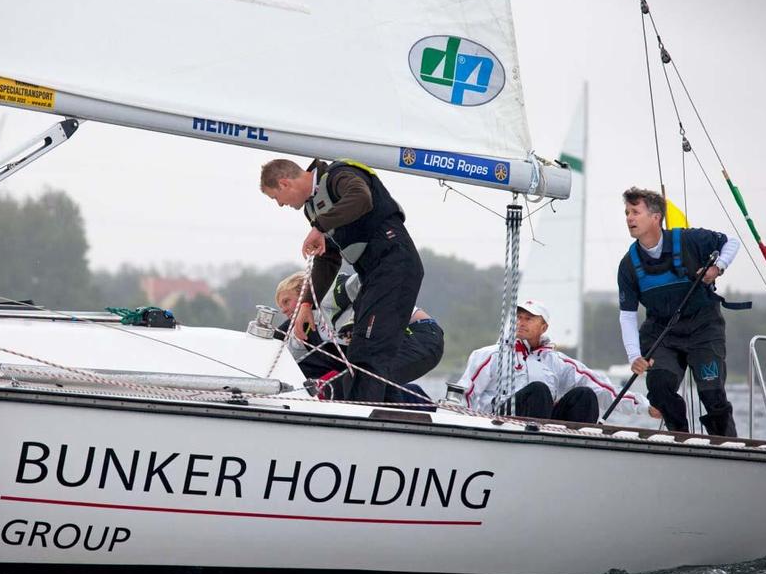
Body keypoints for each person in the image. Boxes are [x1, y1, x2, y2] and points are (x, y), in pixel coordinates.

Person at [260, 158, 423, 403]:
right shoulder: (313, 208)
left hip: (395, 265)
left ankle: (362, 416)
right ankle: (371, 409)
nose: (281, 204)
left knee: (370, 348)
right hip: (373, 274)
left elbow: (361, 198)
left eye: (276, 198)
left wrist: (319, 226)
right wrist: (306, 305)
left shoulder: (338, 175)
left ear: (284, 183)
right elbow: (329, 259)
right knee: (359, 349)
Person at [617, 186, 747, 437]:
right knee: (659, 386)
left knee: (712, 393)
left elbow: (731, 242)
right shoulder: (628, 265)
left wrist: (717, 267)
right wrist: (635, 355)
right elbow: (627, 314)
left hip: (703, 328)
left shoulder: (690, 239)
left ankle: (726, 445)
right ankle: (681, 439)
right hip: (662, 333)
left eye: (635, 212)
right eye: (626, 213)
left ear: (656, 217)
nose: (629, 218)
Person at [455, 300, 655, 423]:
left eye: (529, 318)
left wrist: (645, 407)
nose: (521, 322)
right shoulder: (489, 355)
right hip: (498, 423)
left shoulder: (558, 362)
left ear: (544, 327)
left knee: (585, 395)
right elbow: (466, 393)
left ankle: (571, 453)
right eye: (519, 317)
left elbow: (603, 388)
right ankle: (534, 448)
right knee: (539, 391)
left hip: (543, 428)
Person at [273, 270, 444, 403]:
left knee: (366, 381)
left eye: (287, 301)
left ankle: (419, 405)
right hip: (384, 345)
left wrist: (356, 319)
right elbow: (288, 360)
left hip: (420, 335)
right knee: (354, 381)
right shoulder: (303, 328)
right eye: (280, 307)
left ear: (303, 290)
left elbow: (369, 283)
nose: (284, 310)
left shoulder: (330, 293)